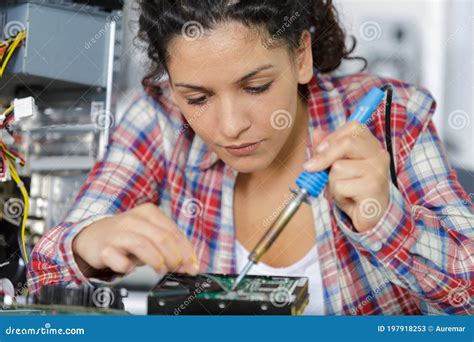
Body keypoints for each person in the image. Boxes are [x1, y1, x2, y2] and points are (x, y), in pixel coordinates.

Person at [28, 0, 473, 315]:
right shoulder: (161, 120)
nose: (229, 126)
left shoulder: (393, 116)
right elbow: (40, 278)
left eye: (255, 87)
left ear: (301, 56)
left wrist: (386, 219)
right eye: (198, 96)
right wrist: (84, 248)